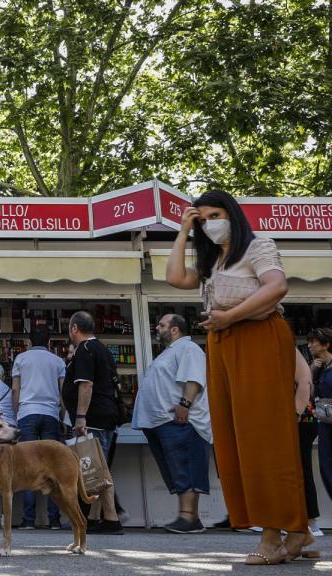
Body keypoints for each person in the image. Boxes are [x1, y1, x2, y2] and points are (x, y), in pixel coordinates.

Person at [166, 189, 311, 564]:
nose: (212, 222)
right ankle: (294, 530)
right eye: (205, 217)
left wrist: (231, 316)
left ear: (233, 213)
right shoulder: (214, 258)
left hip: (257, 336)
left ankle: (273, 534)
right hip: (222, 342)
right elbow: (174, 278)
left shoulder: (257, 244)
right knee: (234, 438)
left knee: (263, 438)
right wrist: (183, 230)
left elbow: (277, 286)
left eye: (217, 214)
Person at [132, 314, 210, 534]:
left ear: (175, 329)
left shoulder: (189, 349)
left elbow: (194, 377)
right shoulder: (169, 352)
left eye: (162, 325)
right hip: (163, 421)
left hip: (179, 420)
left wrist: (185, 403)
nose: (157, 328)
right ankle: (187, 516)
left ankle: (189, 517)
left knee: (185, 465)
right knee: (177, 468)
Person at [63, 310, 123, 535]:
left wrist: (80, 416)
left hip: (93, 417)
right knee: (98, 469)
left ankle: (112, 520)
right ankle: (98, 517)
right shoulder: (102, 349)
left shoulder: (85, 350)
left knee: (98, 470)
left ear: (74, 328)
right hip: (104, 415)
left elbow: (85, 384)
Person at [11, 328, 67, 531]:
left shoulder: (21, 359)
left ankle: (28, 520)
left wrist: (18, 413)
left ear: (29, 342)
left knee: (27, 468)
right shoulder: (58, 361)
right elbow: (63, 392)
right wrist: (62, 414)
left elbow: (16, 389)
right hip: (50, 413)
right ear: (49, 342)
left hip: (27, 412)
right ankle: (54, 520)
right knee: (53, 468)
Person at [293, 349, 322, 537]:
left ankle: (311, 521)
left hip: (301, 420)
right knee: (300, 469)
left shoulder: (288, 352)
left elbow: (305, 381)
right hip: (304, 419)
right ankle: (309, 521)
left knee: (301, 469)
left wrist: (295, 413)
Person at [310, 328, 332, 508]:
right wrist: (311, 370)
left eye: (313, 342)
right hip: (324, 423)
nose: (310, 345)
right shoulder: (318, 368)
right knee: (326, 467)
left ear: (326, 345)